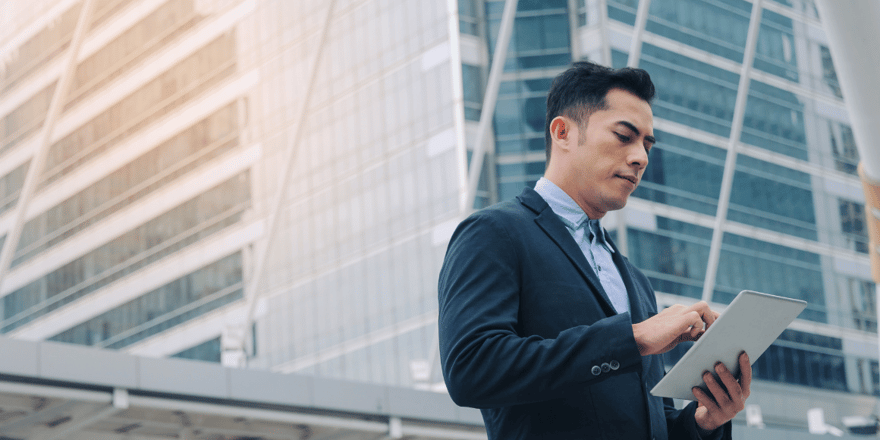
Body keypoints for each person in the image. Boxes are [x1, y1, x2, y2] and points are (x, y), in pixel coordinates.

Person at [437, 61, 751, 440]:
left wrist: (703, 422)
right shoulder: (495, 233)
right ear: (563, 132)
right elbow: (471, 370)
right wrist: (632, 339)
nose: (641, 158)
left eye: (647, 144)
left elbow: (653, 424)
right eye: (624, 136)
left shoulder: (634, 280)